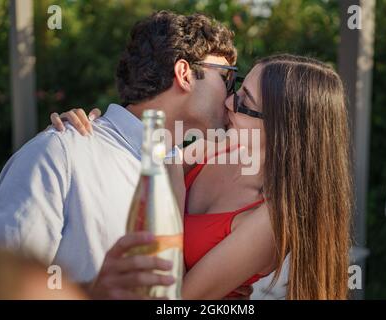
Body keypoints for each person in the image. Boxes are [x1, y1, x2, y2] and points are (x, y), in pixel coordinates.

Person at [0, 11, 252, 299]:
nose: (231, 96)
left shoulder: (181, 169)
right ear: (184, 74)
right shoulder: (61, 153)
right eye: (226, 78)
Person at [53, 54, 353, 299]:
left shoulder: (269, 220)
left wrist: (172, 177)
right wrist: (85, 137)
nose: (227, 103)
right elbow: (133, 163)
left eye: (244, 102)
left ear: (282, 128)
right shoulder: (218, 147)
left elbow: (177, 302)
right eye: (237, 88)